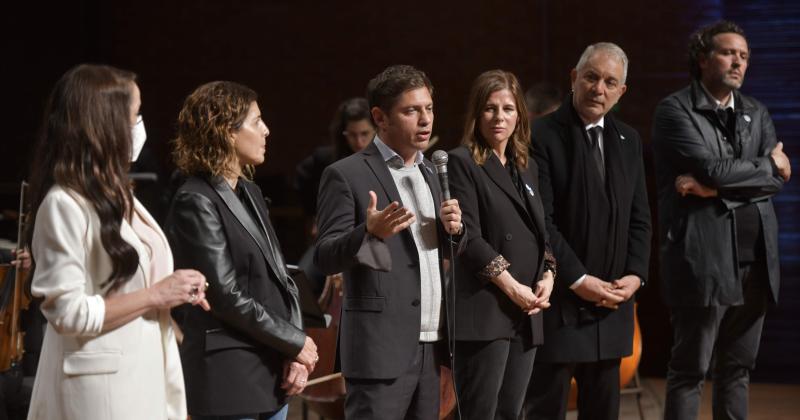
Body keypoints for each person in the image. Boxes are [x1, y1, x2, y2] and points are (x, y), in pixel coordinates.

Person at [23, 64, 210, 420]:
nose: (140, 128)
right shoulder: (64, 202)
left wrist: (176, 287)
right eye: (135, 115)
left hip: (143, 377)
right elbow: (67, 312)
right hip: (102, 392)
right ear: (105, 124)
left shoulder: (118, 194)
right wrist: (156, 294)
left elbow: (135, 283)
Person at [653, 20, 791, 420]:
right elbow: (715, 168)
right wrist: (763, 168)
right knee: (690, 370)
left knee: (737, 370)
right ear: (702, 58)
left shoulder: (756, 112)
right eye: (729, 52)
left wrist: (714, 191)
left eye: (744, 56)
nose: (738, 62)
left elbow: (777, 182)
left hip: (757, 262)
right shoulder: (674, 110)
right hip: (703, 261)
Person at [314, 65, 464, 419]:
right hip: (380, 351)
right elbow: (325, 257)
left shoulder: (433, 171)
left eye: (428, 108)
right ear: (380, 117)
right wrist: (368, 233)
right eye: (411, 110)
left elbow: (440, 253)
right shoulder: (346, 174)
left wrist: (454, 232)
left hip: (433, 346)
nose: (425, 119)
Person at [166, 81, 318, 420]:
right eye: (256, 121)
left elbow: (282, 279)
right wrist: (293, 342)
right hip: (228, 374)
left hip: (269, 369)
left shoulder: (248, 191)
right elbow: (224, 294)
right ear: (226, 132)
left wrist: (294, 350)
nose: (266, 130)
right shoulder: (195, 198)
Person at [525, 43, 652, 420]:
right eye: (592, 77)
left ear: (621, 91)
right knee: (546, 409)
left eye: (610, 82)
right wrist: (578, 279)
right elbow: (542, 222)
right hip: (561, 303)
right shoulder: (540, 135)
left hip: (612, 303)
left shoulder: (629, 140)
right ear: (574, 78)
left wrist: (636, 275)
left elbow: (640, 218)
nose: (599, 88)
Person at [447, 70, 555, 419]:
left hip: (526, 310)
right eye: (490, 108)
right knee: (482, 412)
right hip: (487, 308)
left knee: (512, 412)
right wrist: (512, 287)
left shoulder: (527, 166)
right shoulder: (462, 162)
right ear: (477, 114)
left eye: (508, 108)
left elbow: (542, 234)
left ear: (520, 115)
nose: (499, 117)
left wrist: (549, 275)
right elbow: (469, 237)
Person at [294, 98, 375, 296]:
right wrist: (315, 215)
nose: (359, 142)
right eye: (352, 135)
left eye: (365, 134)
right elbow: (301, 177)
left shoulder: (384, 161)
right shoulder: (328, 159)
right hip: (335, 237)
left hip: (371, 237)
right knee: (302, 280)